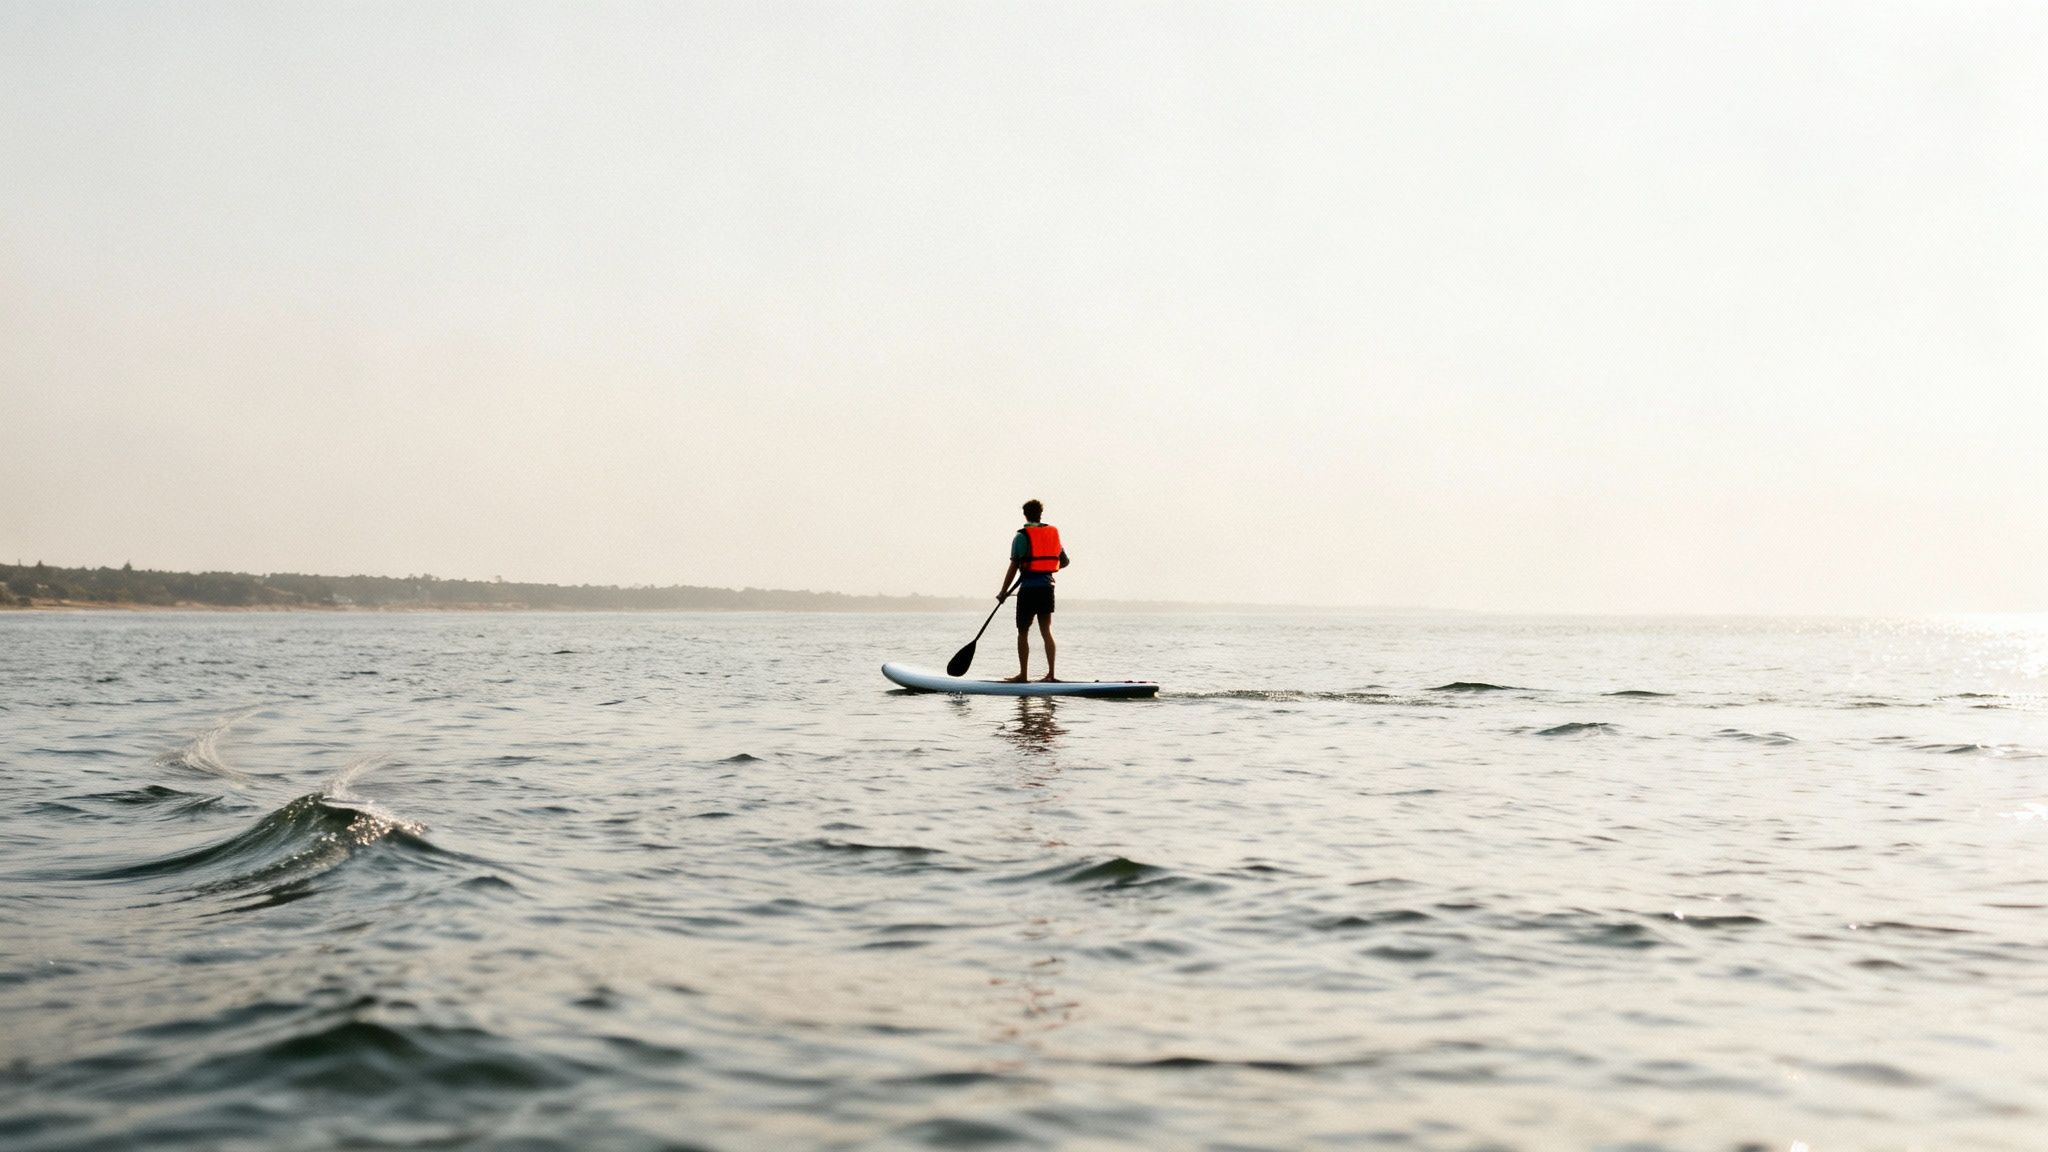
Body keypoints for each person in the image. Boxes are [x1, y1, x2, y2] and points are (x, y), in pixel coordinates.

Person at [998, 499, 1069, 683]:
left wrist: (1003, 592)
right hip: (1047, 588)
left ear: (1025, 515)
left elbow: (1013, 567)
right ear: (1040, 514)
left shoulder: (1021, 537)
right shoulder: (1052, 534)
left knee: (1023, 632)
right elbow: (1064, 562)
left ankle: (1023, 675)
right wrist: (1046, 569)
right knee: (1046, 631)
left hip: (1028, 591)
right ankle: (1051, 674)